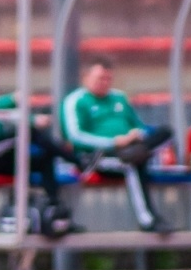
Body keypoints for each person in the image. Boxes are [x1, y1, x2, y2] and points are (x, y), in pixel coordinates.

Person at [0, 54, 82, 270]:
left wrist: (31, 120)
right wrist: (12, 100)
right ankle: (77, 160)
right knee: (28, 137)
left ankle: (54, 208)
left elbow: (3, 119)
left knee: (42, 158)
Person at [61, 56, 174, 234]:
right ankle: (148, 219)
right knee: (132, 164)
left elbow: (138, 125)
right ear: (86, 77)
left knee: (165, 132)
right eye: (100, 78)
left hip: (129, 148)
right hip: (97, 157)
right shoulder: (76, 100)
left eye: (108, 79)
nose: (105, 83)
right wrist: (113, 142)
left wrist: (136, 135)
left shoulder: (119, 97)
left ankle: (138, 152)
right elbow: (75, 136)